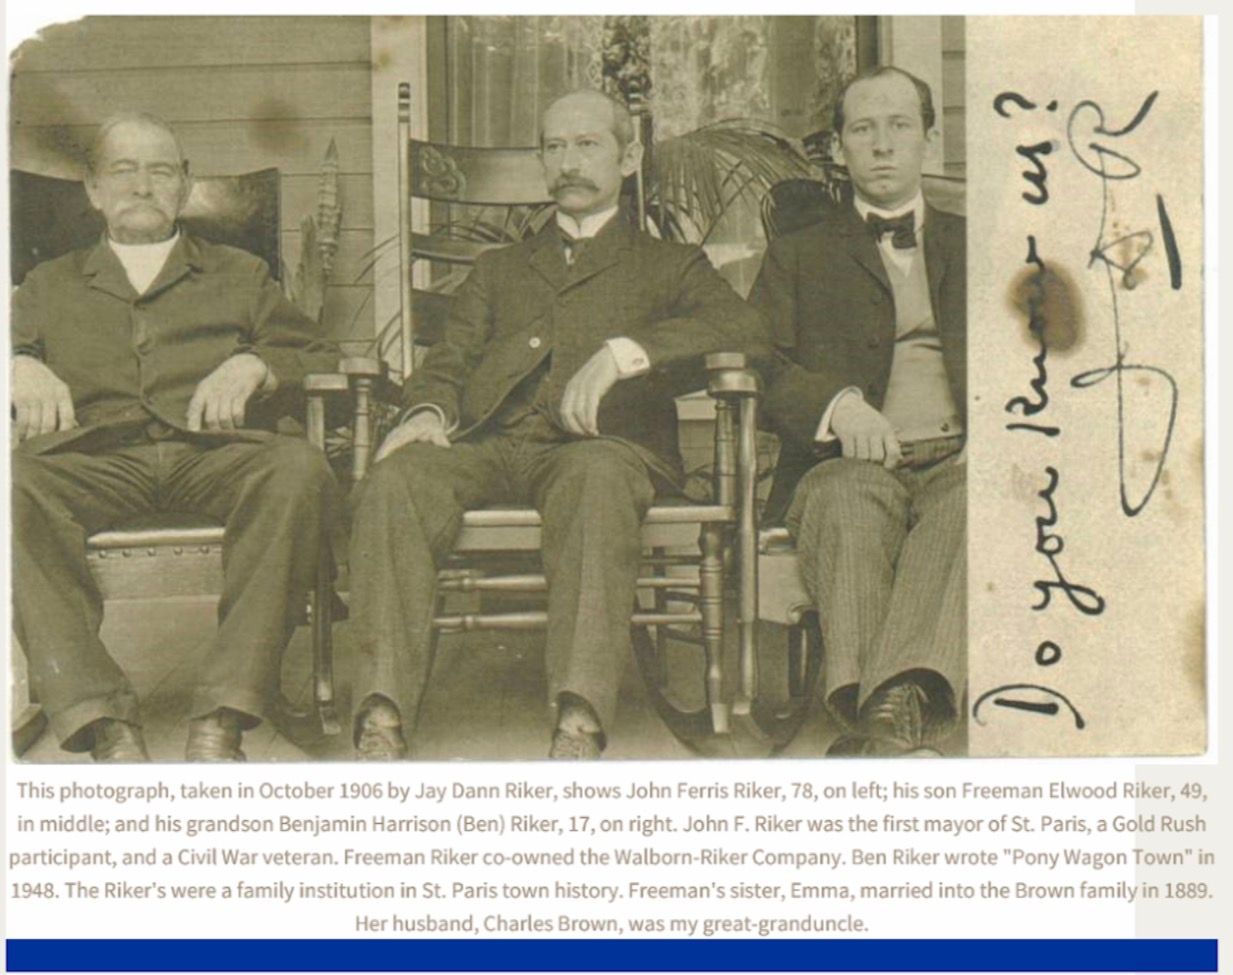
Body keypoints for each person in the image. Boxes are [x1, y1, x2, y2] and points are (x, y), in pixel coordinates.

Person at [349, 89, 764, 761]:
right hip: (486, 441)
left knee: (595, 476)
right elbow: (449, 360)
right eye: (554, 147)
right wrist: (424, 412)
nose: (568, 161)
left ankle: (577, 711)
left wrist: (626, 353)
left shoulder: (667, 263)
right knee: (395, 478)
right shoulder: (499, 268)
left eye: (587, 144)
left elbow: (745, 328)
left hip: (603, 445)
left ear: (628, 159)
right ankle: (381, 706)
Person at [10, 112, 341, 762]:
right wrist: (15, 363)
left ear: (184, 185)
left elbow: (317, 350)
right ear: (93, 189)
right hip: (94, 456)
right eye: (122, 170)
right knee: (10, 486)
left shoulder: (238, 272)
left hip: (213, 451)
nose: (142, 185)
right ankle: (99, 716)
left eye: (160, 170)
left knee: (297, 469)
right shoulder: (49, 284)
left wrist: (257, 364)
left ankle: (225, 708)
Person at [750, 66, 966, 756]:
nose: (881, 145)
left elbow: (1044, 360)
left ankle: (873, 725)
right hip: (843, 464)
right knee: (847, 501)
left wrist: (999, 430)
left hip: (962, 461)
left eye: (899, 126)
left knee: (979, 501)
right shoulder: (797, 254)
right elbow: (754, 360)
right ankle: (898, 715)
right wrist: (836, 406)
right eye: (862, 129)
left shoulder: (986, 243)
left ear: (927, 141)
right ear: (839, 148)